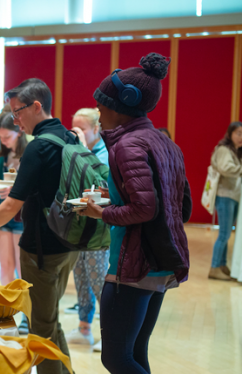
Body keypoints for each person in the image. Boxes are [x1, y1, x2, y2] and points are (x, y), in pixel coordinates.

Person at [79, 53, 191, 374]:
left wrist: (102, 213)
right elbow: (181, 209)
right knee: (135, 352)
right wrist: (115, 197)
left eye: (101, 105)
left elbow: (144, 208)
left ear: (121, 106)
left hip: (134, 266)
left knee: (115, 358)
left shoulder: (127, 145)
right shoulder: (165, 143)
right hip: (160, 263)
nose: (98, 111)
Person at [0, 78, 79, 374]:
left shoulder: (38, 147)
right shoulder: (69, 137)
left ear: (37, 106)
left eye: (18, 112)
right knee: (50, 319)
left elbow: (12, 205)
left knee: (40, 329)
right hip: (69, 243)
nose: (15, 120)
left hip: (43, 248)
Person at [64, 108, 110, 351]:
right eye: (74, 127)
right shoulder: (75, 152)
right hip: (79, 224)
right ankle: (84, 328)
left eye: (81, 128)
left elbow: (103, 185)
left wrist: (80, 149)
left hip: (98, 228)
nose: (76, 132)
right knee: (80, 277)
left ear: (96, 129)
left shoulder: (104, 153)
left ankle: (110, 334)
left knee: (99, 280)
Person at [0, 111, 27, 285]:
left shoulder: (28, 156)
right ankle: (6, 310)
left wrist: (14, 191)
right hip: (2, 214)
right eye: (0, 137)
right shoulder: (2, 158)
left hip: (19, 217)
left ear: (19, 132)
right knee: (5, 265)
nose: (4, 141)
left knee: (21, 267)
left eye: (7, 136)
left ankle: (25, 311)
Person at [208, 122, 242, 280]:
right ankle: (214, 267)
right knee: (224, 234)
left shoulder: (235, 151)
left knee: (226, 233)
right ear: (229, 134)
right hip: (225, 196)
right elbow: (226, 169)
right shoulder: (224, 150)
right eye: (239, 133)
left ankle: (222, 265)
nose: (241, 137)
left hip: (232, 196)